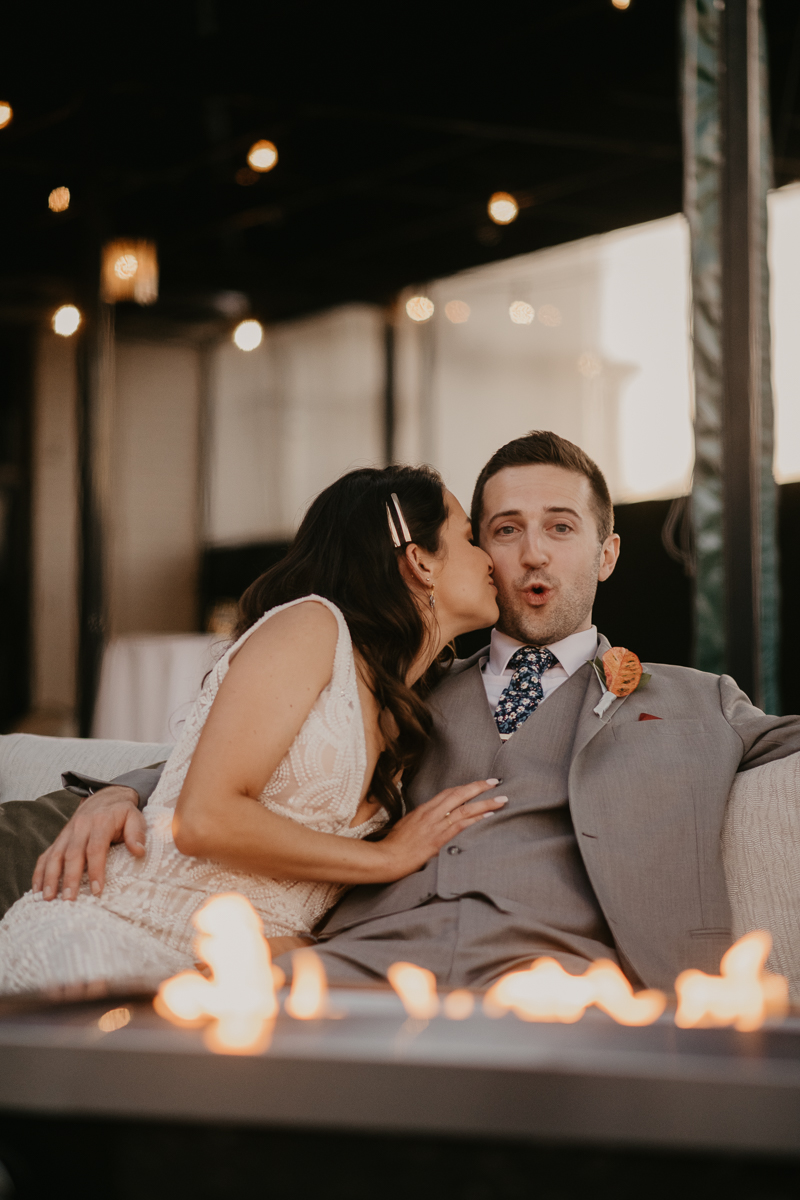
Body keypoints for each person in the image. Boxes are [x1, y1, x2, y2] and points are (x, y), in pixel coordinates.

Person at [6, 430, 800, 990]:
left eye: (560, 528)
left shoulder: (695, 701)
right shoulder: (403, 686)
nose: (530, 553)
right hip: (352, 961)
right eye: (503, 530)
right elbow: (241, 758)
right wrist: (119, 788)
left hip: (554, 975)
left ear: (606, 552)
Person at [0, 465, 503, 992]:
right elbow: (203, 820)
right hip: (114, 929)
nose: (489, 557)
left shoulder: (422, 700)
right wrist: (386, 856)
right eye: (470, 538)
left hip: (230, 971)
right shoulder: (313, 627)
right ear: (420, 560)